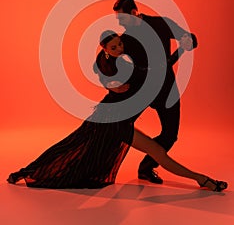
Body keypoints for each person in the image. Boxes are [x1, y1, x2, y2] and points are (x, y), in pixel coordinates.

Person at [7, 31, 227, 192]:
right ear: (105, 49)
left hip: (109, 115)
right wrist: (181, 49)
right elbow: (162, 67)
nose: (120, 48)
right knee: (157, 152)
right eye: (114, 47)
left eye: (120, 44)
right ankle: (202, 180)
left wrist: (107, 83)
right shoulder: (124, 65)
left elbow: (97, 66)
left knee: (76, 146)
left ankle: (29, 171)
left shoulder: (108, 60)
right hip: (114, 119)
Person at [113, 0, 198, 184]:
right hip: (139, 88)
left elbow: (191, 38)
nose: (121, 23)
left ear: (134, 12)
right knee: (116, 126)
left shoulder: (160, 24)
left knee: (170, 134)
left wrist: (187, 40)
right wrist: (110, 83)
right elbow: (105, 60)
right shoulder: (125, 39)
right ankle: (97, 162)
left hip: (166, 87)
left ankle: (146, 167)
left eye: (123, 18)